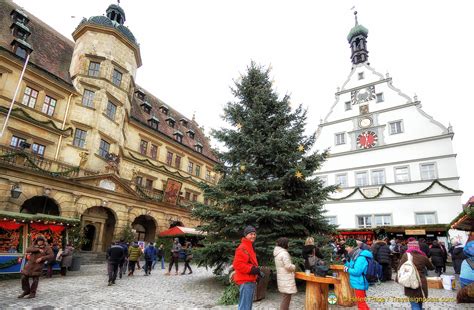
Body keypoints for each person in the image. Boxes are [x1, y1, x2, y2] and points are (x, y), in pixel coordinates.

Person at [397, 239, 434, 310]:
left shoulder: (406, 255)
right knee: (419, 299)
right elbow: (431, 267)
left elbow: (399, 268)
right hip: (421, 281)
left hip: (410, 280)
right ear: (418, 247)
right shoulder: (423, 256)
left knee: (414, 302)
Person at [233, 225, 263, 310]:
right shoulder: (243, 247)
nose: (253, 236)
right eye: (251, 234)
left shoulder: (249, 246)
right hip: (245, 281)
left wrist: (256, 274)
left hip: (249, 280)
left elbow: (250, 262)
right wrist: (252, 270)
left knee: (246, 306)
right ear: (246, 235)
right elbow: (237, 264)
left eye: (254, 234)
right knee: (245, 307)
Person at [343, 238, 372, 310]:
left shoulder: (360, 257)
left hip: (360, 282)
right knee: (361, 302)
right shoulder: (355, 255)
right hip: (357, 282)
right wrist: (346, 262)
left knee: (361, 304)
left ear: (352, 247)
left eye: (347, 247)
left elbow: (357, 272)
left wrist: (347, 269)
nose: (346, 249)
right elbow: (351, 265)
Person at [274, 237, 297, 310]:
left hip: (282, 278)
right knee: (286, 298)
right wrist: (294, 266)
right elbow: (288, 266)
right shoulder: (284, 253)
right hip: (286, 279)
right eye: (288, 243)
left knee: (285, 296)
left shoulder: (278, 253)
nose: (289, 244)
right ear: (285, 244)